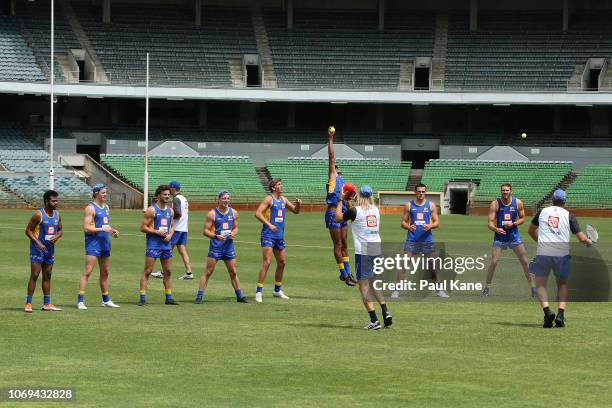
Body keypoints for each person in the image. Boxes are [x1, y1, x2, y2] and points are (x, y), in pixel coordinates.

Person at [528, 189, 592, 328]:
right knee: (562, 285)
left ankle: (547, 312)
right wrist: (588, 241)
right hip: (561, 254)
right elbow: (581, 238)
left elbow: (530, 230)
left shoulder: (542, 212)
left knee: (540, 285)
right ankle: (560, 315)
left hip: (544, 252)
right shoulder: (569, 215)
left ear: (552, 199)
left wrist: (540, 242)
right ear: (564, 201)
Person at [335, 185, 392, 330]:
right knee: (375, 283)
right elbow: (355, 212)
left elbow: (338, 217)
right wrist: (350, 202)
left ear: (359, 195)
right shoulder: (375, 209)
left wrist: (341, 200)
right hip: (376, 247)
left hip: (364, 251)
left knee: (364, 287)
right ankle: (386, 312)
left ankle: (374, 320)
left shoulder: (356, 211)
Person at [393, 183, 448, 298]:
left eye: (423, 192)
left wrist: (430, 226)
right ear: (415, 192)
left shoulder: (431, 206)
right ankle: (396, 290)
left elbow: (437, 222)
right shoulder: (409, 205)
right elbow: (403, 222)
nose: (421, 193)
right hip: (412, 240)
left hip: (427, 241)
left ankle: (439, 290)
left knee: (433, 266)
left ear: (425, 192)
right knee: (404, 264)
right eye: (419, 191)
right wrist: (408, 227)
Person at [481, 183, 536, 297]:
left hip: (514, 237)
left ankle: (533, 288)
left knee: (525, 262)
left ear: (511, 191)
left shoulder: (518, 203)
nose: (505, 192)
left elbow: (522, 218)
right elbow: (490, 223)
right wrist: (496, 229)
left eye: (507, 190)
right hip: (500, 237)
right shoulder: (495, 204)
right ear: (501, 191)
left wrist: (513, 224)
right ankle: (487, 287)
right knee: (494, 262)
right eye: (503, 190)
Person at [196, 190, 249, 303]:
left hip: (229, 247)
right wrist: (215, 236)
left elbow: (235, 227)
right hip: (216, 247)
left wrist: (233, 233)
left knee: (233, 272)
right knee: (208, 272)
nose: (226, 201)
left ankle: (240, 296)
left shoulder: (234, 212)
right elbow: (205, 231)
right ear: (219, 199)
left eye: (228, 198)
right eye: (224, 198)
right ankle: (199, 296)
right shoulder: (212, 214)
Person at [254, 178, 301, 303]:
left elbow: (296, 211)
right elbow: (258, 213)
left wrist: (299, 204)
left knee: (282, 262)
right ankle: (259, 291)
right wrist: (269, 224)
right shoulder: (269, 199)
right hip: (268, 235)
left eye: (281, 184)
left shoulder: (284, 200)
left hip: (279, 236)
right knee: (267, 262)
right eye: (279, 184)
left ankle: (277, 290)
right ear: (273, 188)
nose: (281, 186)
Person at [77, 184, 120, 310]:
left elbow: (106, 225)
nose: (105, 194)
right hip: (93, 243)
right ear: (96, 193)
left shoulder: (106, 207)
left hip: (105, 243)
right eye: (103, 192)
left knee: (105, 272)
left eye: (106, 192)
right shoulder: (90, 208)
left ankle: (106, 300)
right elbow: (86, 227)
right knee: (88, 271)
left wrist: (112, 230)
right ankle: (80, 301)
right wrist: (102, 229)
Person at [325, 126, 356, 286]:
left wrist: (353, 212)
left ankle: (349, 272)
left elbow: (348, 201)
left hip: (342, 213)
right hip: (332, 213)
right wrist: (331, 138)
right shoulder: (332, 179)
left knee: (344, 243)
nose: (338, 170)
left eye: (339, 170)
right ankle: (343, 273)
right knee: (337, 244)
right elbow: (331, 157)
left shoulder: (343, 183)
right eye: (336, 169)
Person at [138, 185, 178, 305]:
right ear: (158, 195)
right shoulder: (152, 210)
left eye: (168, 195)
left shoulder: (170, 210)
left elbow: (171, 226)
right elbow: (143, 227)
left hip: (166, 245)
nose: (167, 197)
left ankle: (169, 297)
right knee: (148, 271)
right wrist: (157, 232)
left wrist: (170, 235)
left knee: (168, 271)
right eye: (164, 194)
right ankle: (142, 297)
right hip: (153, 245)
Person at [24, 190, 63, 312]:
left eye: (56, 200)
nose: (56, 203)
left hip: (50, 251)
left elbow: (61, 230)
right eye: (53, 201)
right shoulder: (38, 215)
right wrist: (38, 243)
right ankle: (28, 303)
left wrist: (56, 237)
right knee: (35, 275)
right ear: (46, 201)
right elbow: (28, 231)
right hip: (37, 250)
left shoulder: (57, 215)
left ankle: (47, 304)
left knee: (47, 276)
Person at [151, 181, 193, 280]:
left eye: (170, 188)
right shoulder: (184, 198)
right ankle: (189, 272)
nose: (169, 190)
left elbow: (178, 213)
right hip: (184, 228)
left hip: (177, 228)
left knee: (167, 249)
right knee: (182, 251)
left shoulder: (176, 198)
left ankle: (162, 272)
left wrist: (169, 216)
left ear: (173, 188)